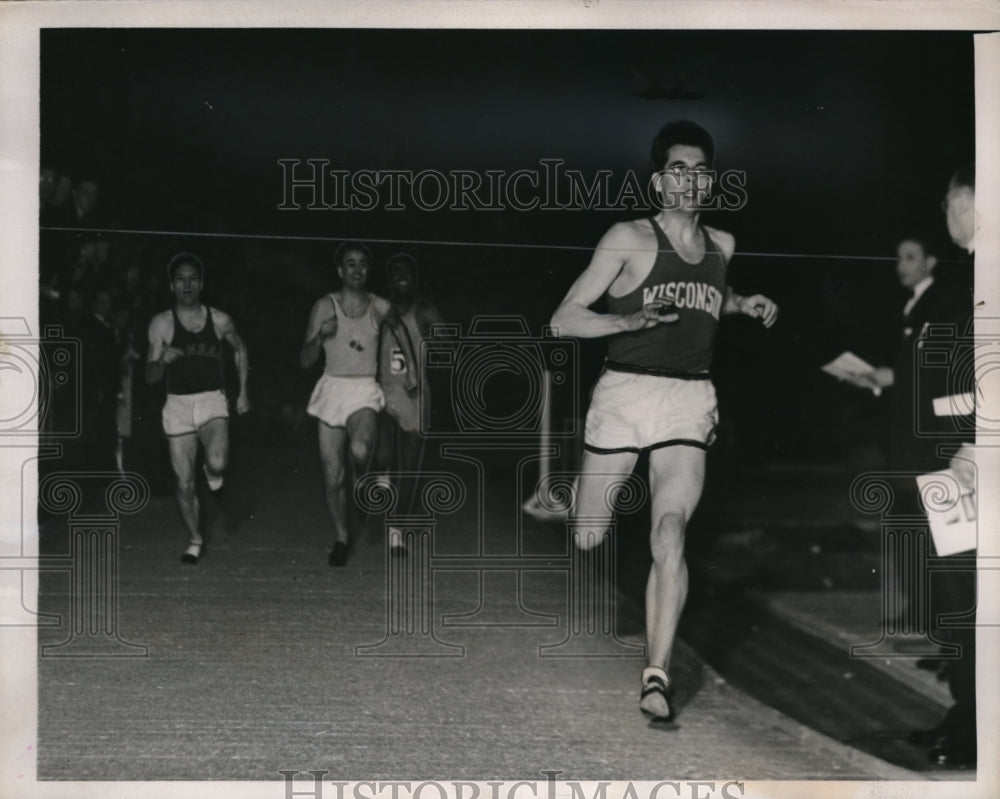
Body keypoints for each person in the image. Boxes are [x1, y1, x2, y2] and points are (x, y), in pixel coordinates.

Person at [550, 120, 778, 722]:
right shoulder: (627, 238)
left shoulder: (723, 245)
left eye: (700, 170)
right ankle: (581, 503)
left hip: (687, 397)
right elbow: (564, 319)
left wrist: (741, 303)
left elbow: (711, 297)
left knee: (669, 532)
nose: (690, 180)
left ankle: (657, 675)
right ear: (659, 178)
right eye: (678, 169)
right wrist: (628, 322)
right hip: (625, 392)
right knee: (589, 534)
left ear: (710, 180)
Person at [903, 164, 978, 768]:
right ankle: (967, 710)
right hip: (948, 455)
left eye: (953, 200)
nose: (945, 210)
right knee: (956, 592)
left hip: (970, 458)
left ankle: (978, 722)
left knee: (968, 591)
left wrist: (967, 440)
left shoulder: (988, 272)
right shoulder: (965, 272)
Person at [146, 252, 250, 564]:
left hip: (210, 399)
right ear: (172, 286)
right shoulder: (161, 323)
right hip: (177, 404)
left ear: (201, 284)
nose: (187, 284)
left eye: (192, 278)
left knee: (218, 463)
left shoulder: (219, 319)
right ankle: (195, 539)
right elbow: (149, 376)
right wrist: (161, 362)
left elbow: (240, 349)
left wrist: (243, 392)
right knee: (184, 482)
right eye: (180, 279)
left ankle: (212, 471)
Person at [301, 242, 390, 566]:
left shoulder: (381, 307)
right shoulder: (325, 306)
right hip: (331, 388)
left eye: (362, 264)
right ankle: (341, 536)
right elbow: (305, 359)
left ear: (369, 270)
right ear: (340, 270)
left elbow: (401, 349)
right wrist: (318, 337)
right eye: (350, 264)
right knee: (333, 476)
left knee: (360, 450)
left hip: (364, 388)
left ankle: (366, 480)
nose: (356, 270)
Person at [376, 253, 444, 557]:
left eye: (407, 272)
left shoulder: (425, 310)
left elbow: (448, 347)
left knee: (409, 468)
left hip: (416, 394)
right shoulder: (378, 309)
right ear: (389, 280)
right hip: (382, 390)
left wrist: (436, 338)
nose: (402, 276)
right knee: (384, 451)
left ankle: (396, 531)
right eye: (396, 272)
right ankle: (380, 469)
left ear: (415, 279)